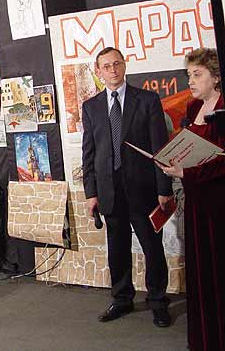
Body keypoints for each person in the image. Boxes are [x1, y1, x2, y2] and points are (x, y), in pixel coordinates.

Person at [82, 47, 173, 327]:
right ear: (98, 72)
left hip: (144, 189)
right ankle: (122, 299)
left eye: (116, 64)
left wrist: (164, 188)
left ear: (124, 65)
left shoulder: (147, 100)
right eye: (106, 66)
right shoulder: (91, 107)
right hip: (109, 192)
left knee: (152, 248)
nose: (112, 70)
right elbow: (89, 153)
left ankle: (158, 301)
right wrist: (91, 193)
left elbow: (160, 148)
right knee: (117, 249)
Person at [158, 48, 224, 351]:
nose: (191, 81)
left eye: (197, 74)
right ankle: (204, 339)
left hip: (218, 204)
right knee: (201, 272)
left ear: (216, 77)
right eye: (189, 75)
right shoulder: (194, 105)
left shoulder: (223, 108)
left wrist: (187, 171)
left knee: (218, 271)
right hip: (196, 201)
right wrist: (176, 164)